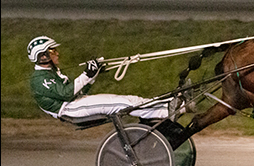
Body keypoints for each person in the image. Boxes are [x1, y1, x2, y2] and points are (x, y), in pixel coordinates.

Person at [27, 36, 175, 123]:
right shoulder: (39, 80)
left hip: (76, 102)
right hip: (70, 109)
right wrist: (87, 74)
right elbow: (66, 94)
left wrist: (93, 75)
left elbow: (77, 91)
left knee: (129, 99)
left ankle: (167, 104)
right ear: (42, 56)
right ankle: (166, 112)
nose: (57, 54)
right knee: (123, 103)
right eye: (53, 51)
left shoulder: (52, 72)